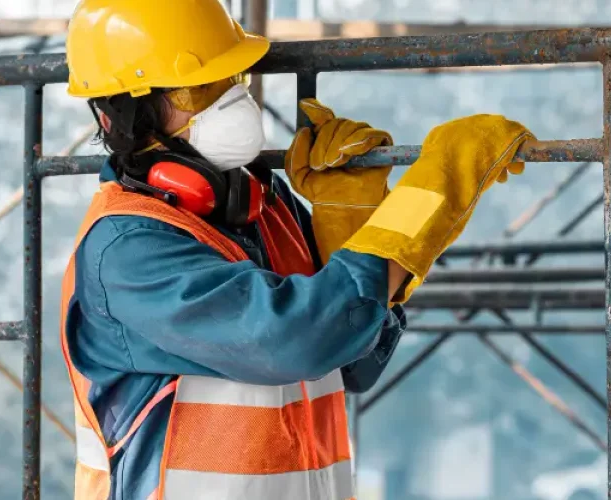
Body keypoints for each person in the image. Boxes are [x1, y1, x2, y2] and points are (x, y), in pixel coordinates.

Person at [59, 1, 536, 499]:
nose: (231, 100)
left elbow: (355, 361)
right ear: (128, 116)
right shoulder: (127, 252)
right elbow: (297, 339)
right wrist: (436, 194)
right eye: (198, 89)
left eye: (233, 78)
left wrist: (348, 223)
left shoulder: (263, 205)